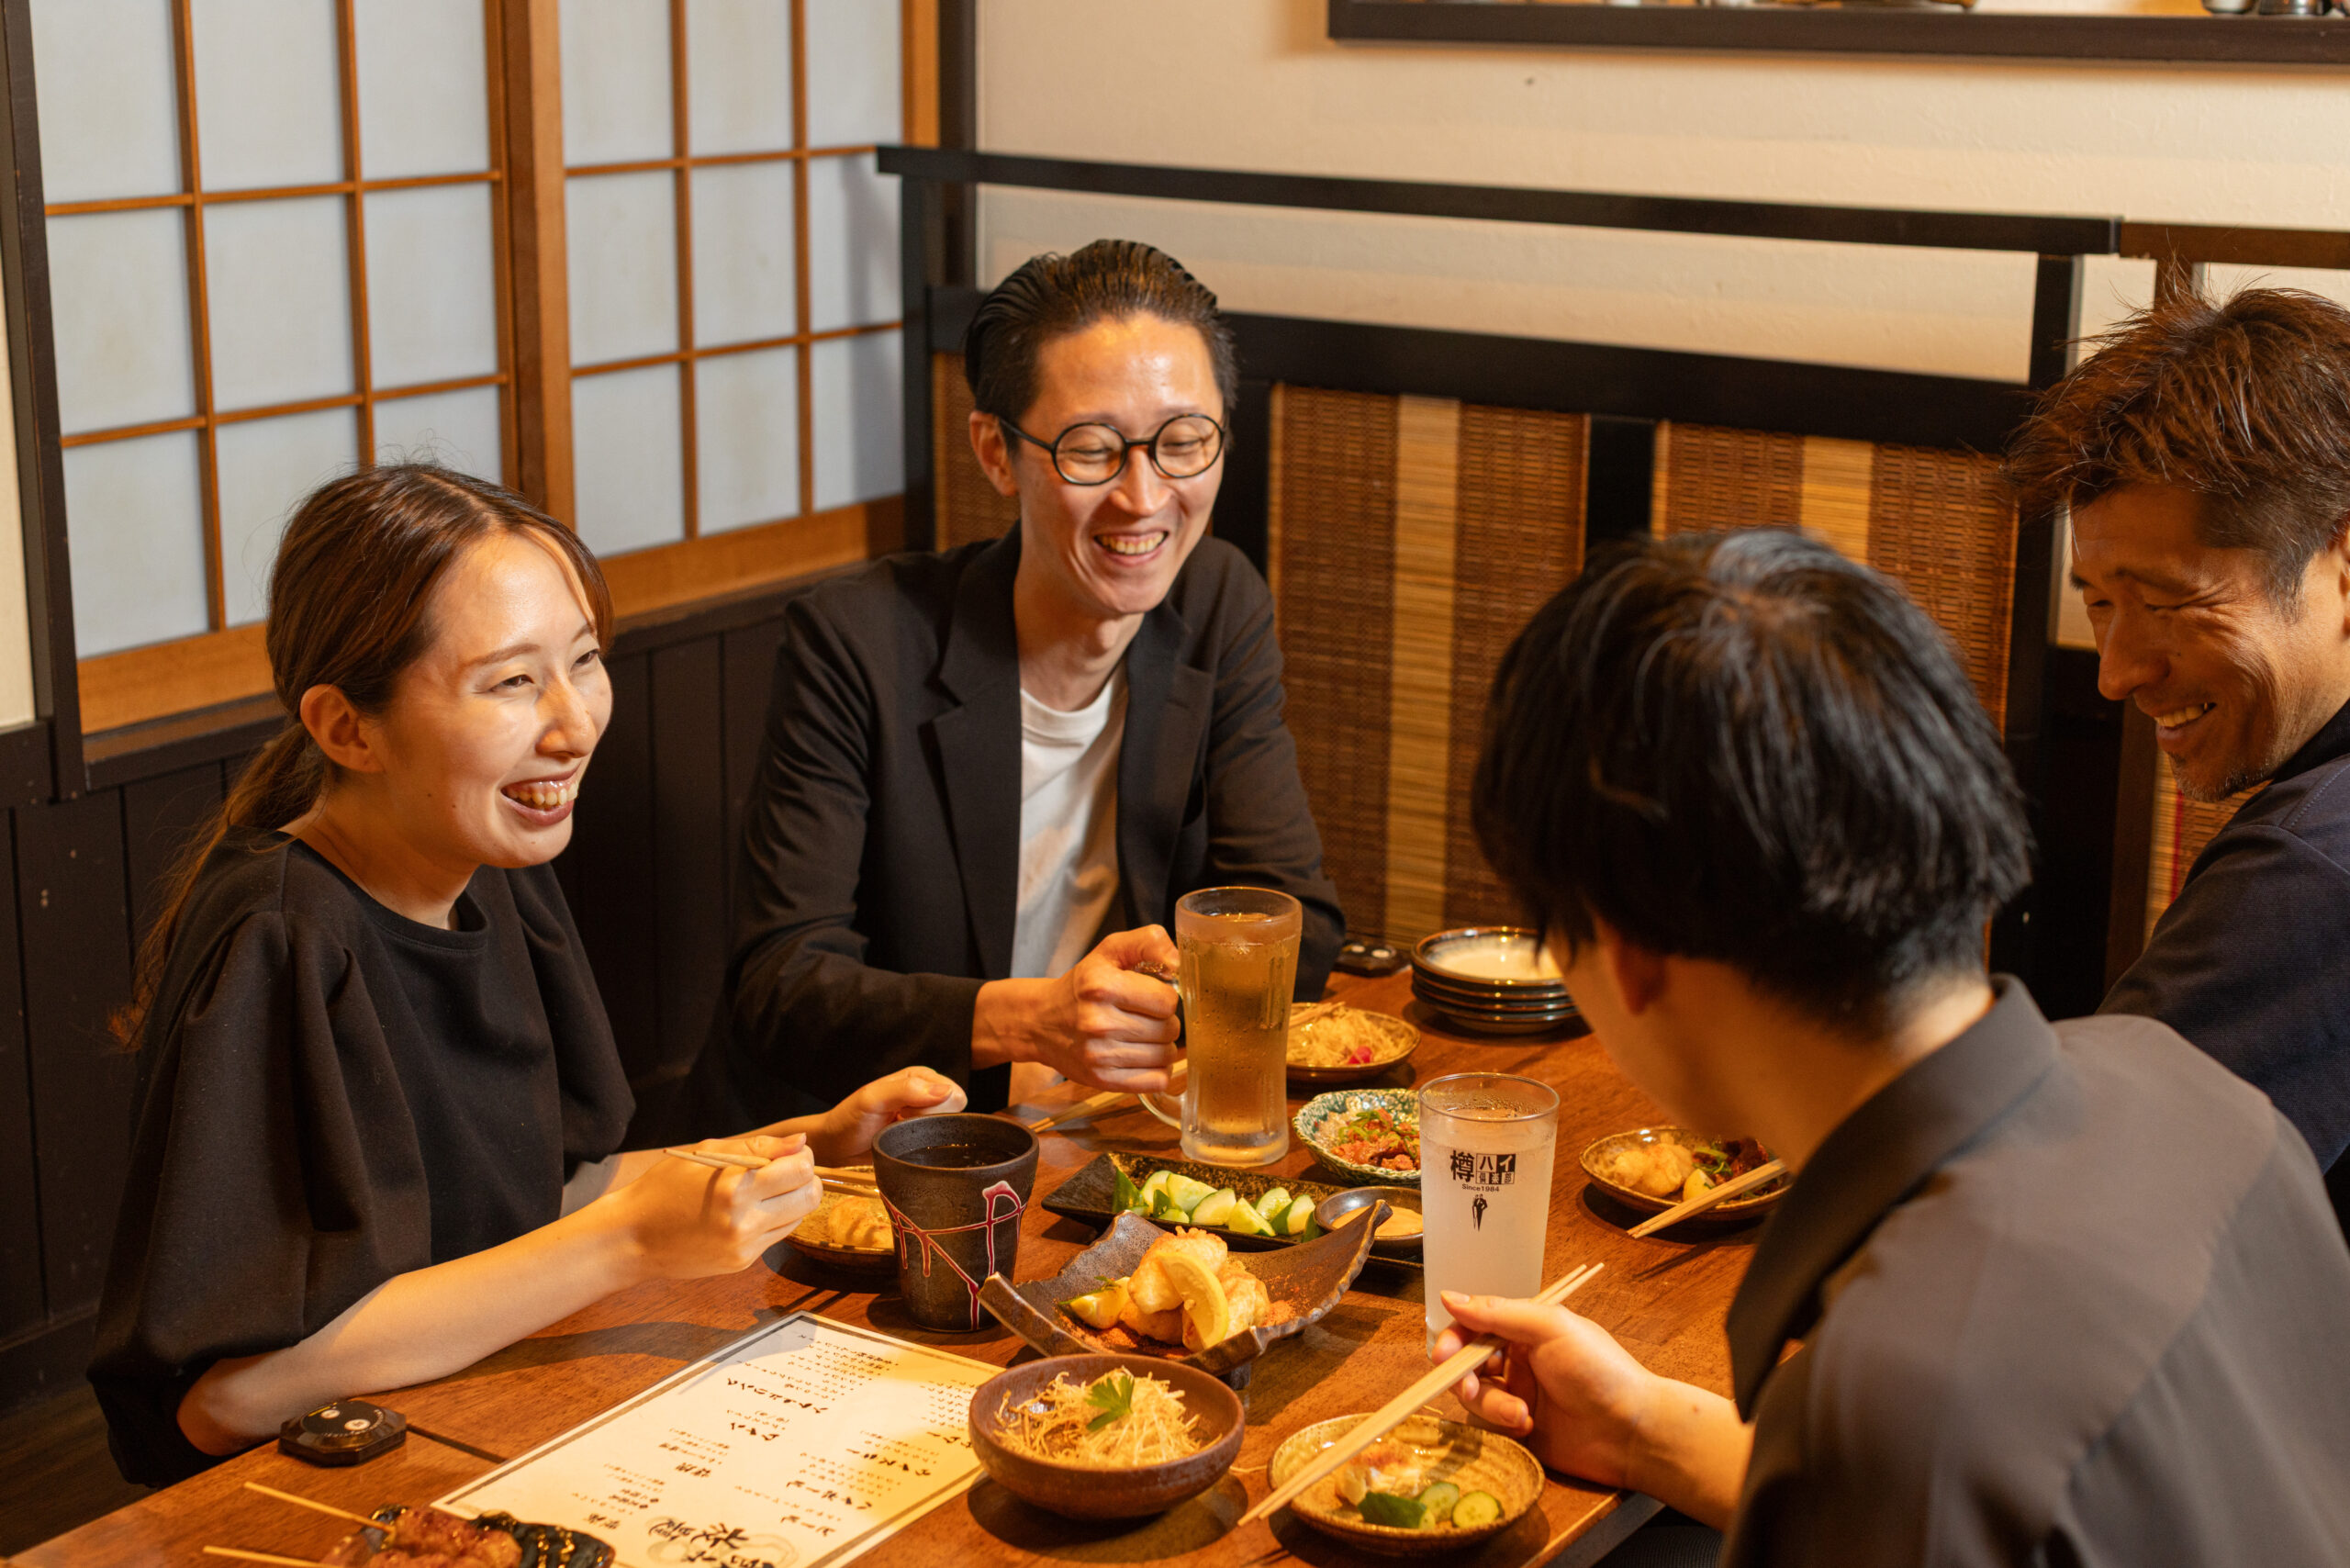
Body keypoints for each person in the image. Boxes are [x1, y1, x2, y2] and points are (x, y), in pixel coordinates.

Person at [1438, 530, 2350, 1565]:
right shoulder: (2203, 1101)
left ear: (1629, 952)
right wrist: (1643, 1428)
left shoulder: (1908, 1401)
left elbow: (1929, 1472)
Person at [89, 465, 958, 1486]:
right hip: (316, 1492)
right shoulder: (280, 939)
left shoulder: (490, 867)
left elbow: (540, 1194)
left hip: (486, 1425)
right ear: (343, 727)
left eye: (584, 662)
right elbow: (223, 1398)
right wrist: (625, 1243)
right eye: (509, 682)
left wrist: (794, 1146)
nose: (574, 724)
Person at [692, 240, 1342, 1126]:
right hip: (855, 1163)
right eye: (1091, 450)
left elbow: (1291, 922)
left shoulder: (1217, 600)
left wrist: (1123, 1032)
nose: (1145, 496)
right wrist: (1031, 1023)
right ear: (996, 453)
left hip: (1096, 1133)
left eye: (1184, 443)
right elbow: (784, 985)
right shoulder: (860, 641)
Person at [2006, 286, 2350, 1238]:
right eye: (2098, 603)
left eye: (2161, 600)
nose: (2114, 675)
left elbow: (2050, 1215)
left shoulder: (2313, 868)